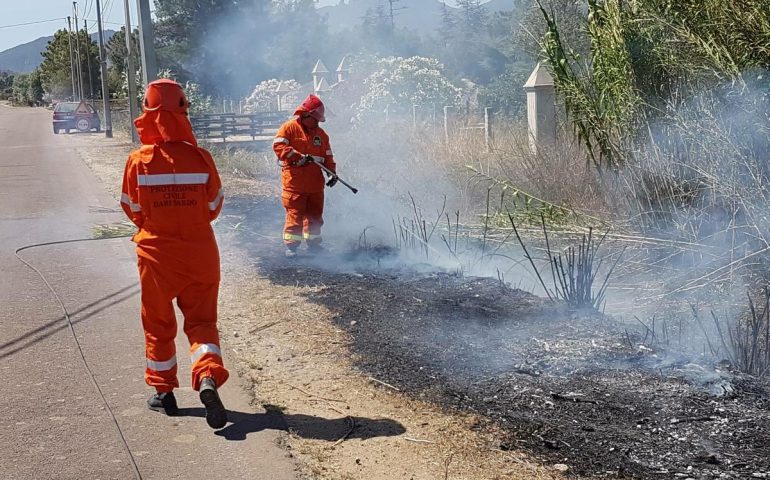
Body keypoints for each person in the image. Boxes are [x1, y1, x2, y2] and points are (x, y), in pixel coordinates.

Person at [120, 78, 229, 429]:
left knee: (158, 323)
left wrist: (157, 222)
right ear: (183, 109)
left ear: (147, 112)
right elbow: (214, 205)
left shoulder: (138, 161)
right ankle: (208, 374)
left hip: (156, 255)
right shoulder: (201, 159)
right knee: (201, 323)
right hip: (200, 253)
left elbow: (131, 207)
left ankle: (164, 393)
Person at [272, 93, 338, 257]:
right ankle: (292, 247)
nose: (317, 123)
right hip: (295, 184)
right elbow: (279, 147)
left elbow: (327, 156)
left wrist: (332, 173)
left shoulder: (321, 135)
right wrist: (297, 156)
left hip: (315, 185)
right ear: (306, 115)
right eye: (315, 119)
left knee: (315, 216)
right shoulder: (289, 128)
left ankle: (314, 245)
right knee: (295, 216)